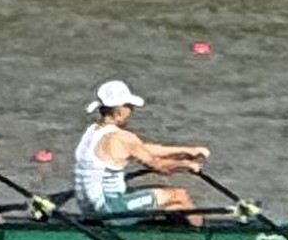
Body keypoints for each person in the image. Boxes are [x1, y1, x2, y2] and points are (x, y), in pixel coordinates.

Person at [72, 79, 209, 214]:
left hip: (87, 208)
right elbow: (160, 166)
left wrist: (188, 151)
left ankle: (171, 227)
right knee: (179, 195)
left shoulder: (92, 131)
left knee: (169, 201)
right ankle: (202, 228)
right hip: (110, 209)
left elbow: (142, 149)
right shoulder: (122, 138)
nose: (132, 110)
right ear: (119, 111)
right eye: (129, 106)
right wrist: (187, 165)